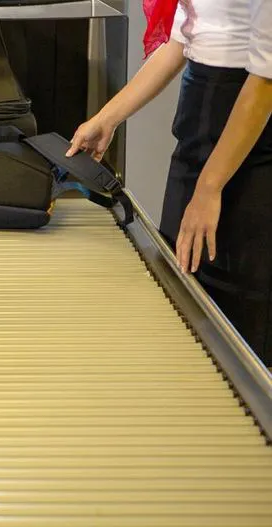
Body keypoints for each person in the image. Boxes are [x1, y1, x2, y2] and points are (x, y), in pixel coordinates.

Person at [67, 0, 272, 365]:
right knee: (180, 299)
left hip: (250, 141)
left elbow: (265, 81)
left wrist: (209, 188)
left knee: (240, 324)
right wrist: (108, 117)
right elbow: (182, 39)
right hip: (197, 128)